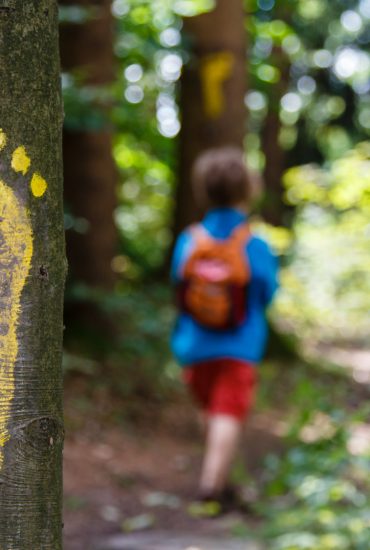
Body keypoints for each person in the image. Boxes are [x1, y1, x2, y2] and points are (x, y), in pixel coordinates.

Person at [170, 147, 279, 512]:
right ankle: (210, 488)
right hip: (240, 344)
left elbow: (177, 282)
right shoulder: (255, 243)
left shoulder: (190, 239)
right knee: (228, 412)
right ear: (248, 190)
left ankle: (218, 478)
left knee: (211, 410)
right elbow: (265, 291)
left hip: (193, 343)